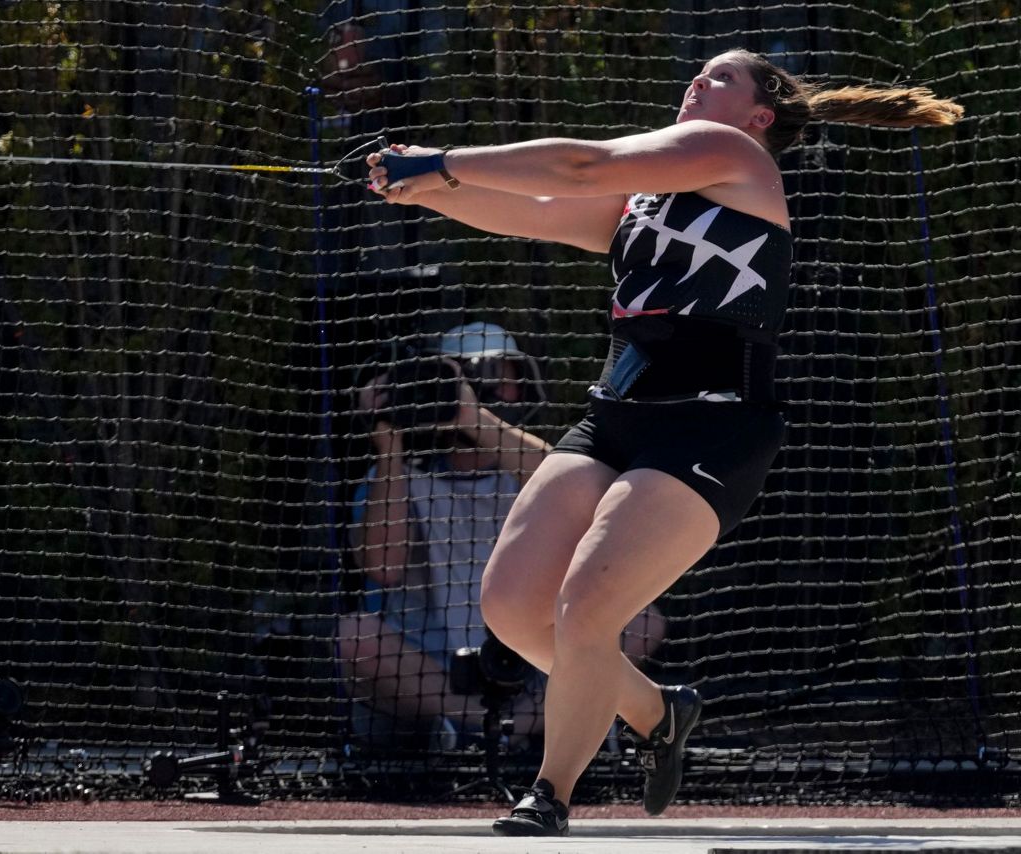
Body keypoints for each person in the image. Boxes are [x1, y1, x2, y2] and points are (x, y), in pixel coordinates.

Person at [366, 49, 962, 835]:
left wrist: (441, 160)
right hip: (616, 416)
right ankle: (657, 711)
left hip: (713, 424)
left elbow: (584, 166)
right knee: (513, 606)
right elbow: (541, 209)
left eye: (720, 78)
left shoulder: (735, 155)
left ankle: (549, 796)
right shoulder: (648, 198)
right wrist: (429, 190)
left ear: (758, 116)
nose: (697, 81)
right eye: (700, 73)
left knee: (585, 607)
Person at [338, 323, 667, 749]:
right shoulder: (399, 475)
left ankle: (526, 725)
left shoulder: (532, 463)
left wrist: (476, 419)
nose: (500, 387)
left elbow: (595, 499)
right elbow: (382, 569)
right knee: (354, 638)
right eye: (486, 376)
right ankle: (479, 728)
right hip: (435, 674)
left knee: (644, 619)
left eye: (506, 376)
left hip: (538, 662)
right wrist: (389, 442)